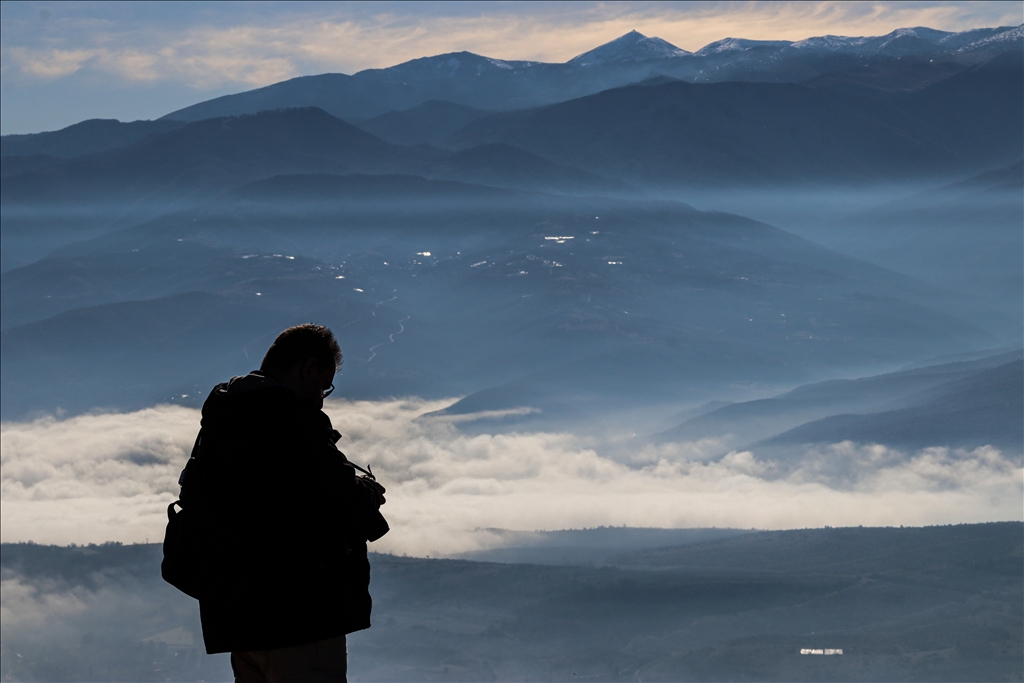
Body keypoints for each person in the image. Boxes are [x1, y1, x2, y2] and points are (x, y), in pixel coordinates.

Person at [169, 323, 387, 683]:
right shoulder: (291, 423)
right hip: (299, 620)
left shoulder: (224, 418)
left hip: (240, 622)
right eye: (324, 385)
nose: (320, 397)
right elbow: (342, 503)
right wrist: (366, 491)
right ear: (309, 369)